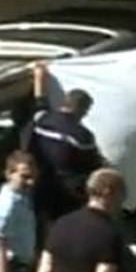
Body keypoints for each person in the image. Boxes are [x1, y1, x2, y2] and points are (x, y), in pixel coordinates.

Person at [23, 62, 104, 231]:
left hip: (40, 189)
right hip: (67, 197)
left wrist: (39, 77)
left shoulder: (43, 120)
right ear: (83, 109)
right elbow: (95, 168)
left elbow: (40, 101)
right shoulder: (82, 136)